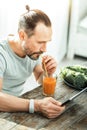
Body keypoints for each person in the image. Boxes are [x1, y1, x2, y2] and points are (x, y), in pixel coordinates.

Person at [0, 5, 65, 119]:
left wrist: (48, 72)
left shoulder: (32, 52)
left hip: (17, 105)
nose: (44, 49)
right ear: (22, 35)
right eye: (40, 42)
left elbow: (40, 77)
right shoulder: (2, 54)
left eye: (46, 42)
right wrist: (36, 105)